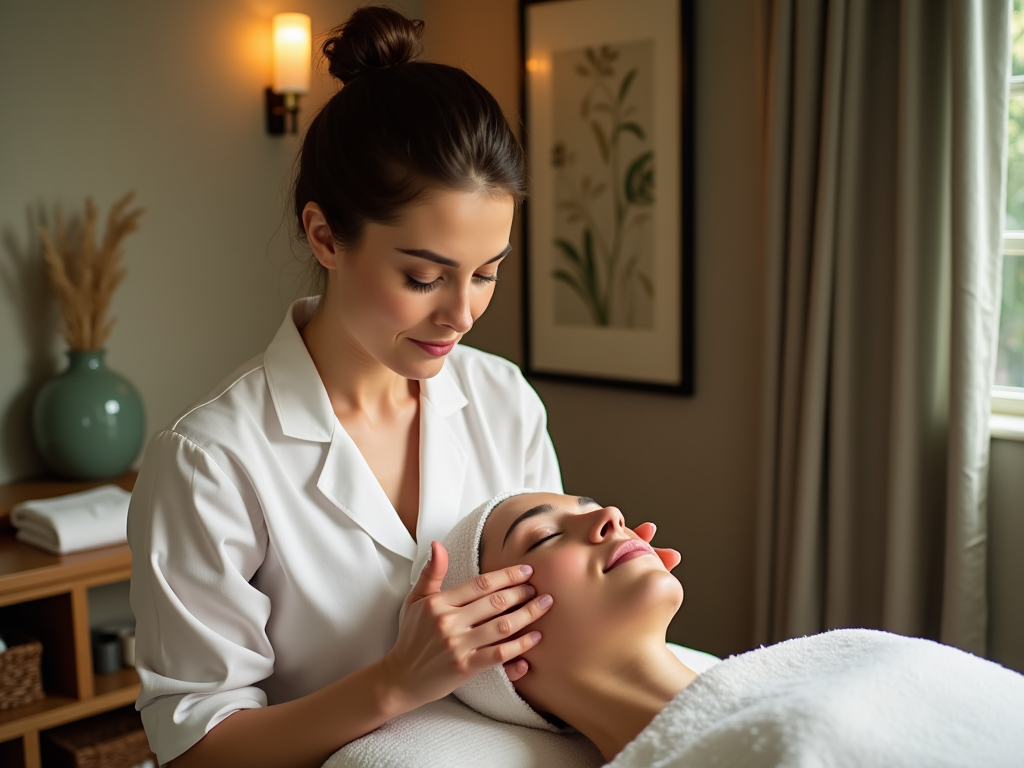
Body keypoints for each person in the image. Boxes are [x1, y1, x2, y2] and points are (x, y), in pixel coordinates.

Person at [127, 8, 674, 767]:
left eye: (486, 273)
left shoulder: (503, 400)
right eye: (423, 277)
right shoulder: (211, 460)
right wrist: (395, 681)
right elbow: (195, 752)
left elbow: (545, 639)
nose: (461, 314)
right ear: (325, 237)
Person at [433, 489, 1024, 767]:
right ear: (501, 639)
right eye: (545, 535)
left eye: (591, 505)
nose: (610, 516)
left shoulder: (836, 655)